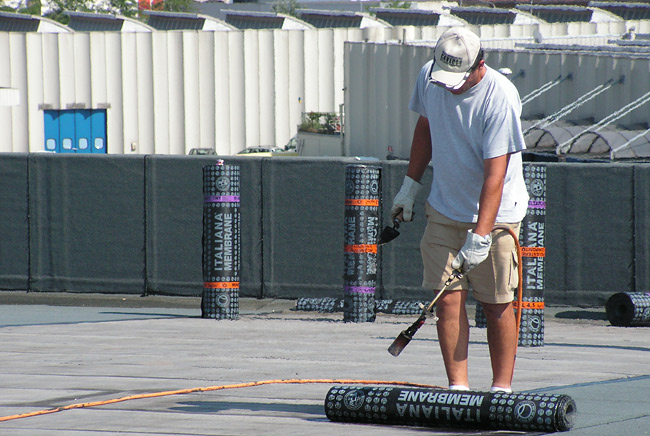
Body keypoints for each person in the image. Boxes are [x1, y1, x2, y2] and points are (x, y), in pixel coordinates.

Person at [391, 27, 529, 393]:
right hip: (444, 208)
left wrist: (481, 236)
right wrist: (409, 187)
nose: (449, 86)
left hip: (496, 216)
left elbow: (495, 177)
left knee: (496, 303)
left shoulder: (500, 97)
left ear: (479, 65)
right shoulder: (431, 76)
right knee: (447, 301)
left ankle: (501, 389)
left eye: (458, 79)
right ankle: (458, 389)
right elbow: (425, 128)